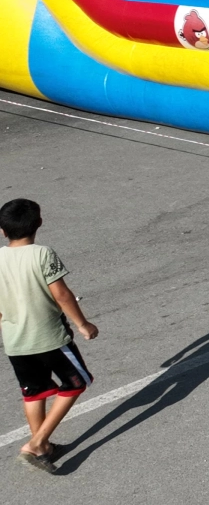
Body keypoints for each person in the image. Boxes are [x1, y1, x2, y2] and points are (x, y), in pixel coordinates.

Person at [0, 198, 99, 474]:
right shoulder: (43, 254)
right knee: (77, 382)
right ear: (39, 224)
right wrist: (83, 324)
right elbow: (62, 294)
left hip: (15, 341)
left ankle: (43, 449)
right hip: (49, 337)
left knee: (35, 392)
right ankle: (36, 443)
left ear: (2, 230)